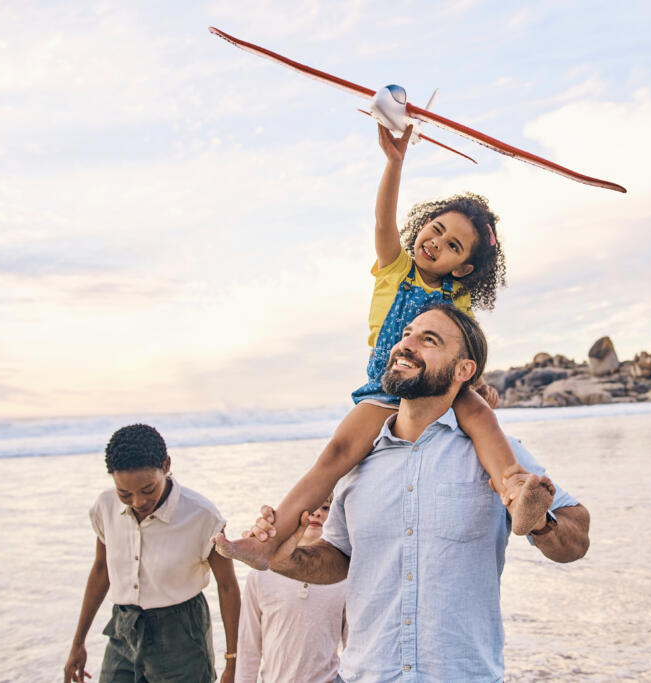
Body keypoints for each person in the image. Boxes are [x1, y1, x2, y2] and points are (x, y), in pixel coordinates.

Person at [214, 124, 549, 571]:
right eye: (435, 229)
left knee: (482, 419)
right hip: (385, 383)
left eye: (452, 246)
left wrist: (479, 384)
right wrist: (395, 161)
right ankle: (266, 541)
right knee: (335, 455)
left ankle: (515, 493)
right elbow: (382, 221)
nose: (435, 244)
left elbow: (464, 347)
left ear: (464, 266)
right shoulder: (396, 267)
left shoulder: (458, 298)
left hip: (440, 384)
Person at [248, 303, 591, 681]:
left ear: (464, 370)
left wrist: (543, 524)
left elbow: (577, 537)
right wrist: (287, 560)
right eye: (407, 334)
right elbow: (343, 557)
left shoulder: (497, 455)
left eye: (429, 340)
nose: (406, 344)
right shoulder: (358, 462)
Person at [64, 424, 241, 683]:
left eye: (148, 489)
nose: (138, 502)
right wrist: (77, 643)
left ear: (166, 465)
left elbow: (227, 587)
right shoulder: (105, 506)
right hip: (123, 629)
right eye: (125, 493)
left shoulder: (202, 516)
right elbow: (101, 570)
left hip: (182, 635)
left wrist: (232, 662)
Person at [235, 497, 346, 683]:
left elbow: (355, 647)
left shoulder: (344, 576)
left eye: (326, 508)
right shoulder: (262, 573)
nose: (317, 513)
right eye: (310, 508)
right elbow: (248, 646)